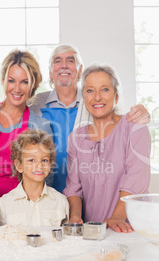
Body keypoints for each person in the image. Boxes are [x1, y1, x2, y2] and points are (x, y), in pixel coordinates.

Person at [30, 44, 150, 193]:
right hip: (48, 189)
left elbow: (117, 124)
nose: (64, 66)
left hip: (91, 191)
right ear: (50, 71)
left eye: (71, 60)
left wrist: (141, 113)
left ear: (80, 70)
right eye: (57, 61)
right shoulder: (35, 104)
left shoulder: (96, 101)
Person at [63, 64, 151, 233]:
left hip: (129, 227)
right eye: (90, 91)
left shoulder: (134, 127)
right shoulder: (76, 138)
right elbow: (73, 187)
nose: (97, 97)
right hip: (93, 230)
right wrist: (75, 216)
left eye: (104, 89)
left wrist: (117, 217)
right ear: (84, 98)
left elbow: (136, 178)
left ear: (116, 96)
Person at [0, 49, 52, 199]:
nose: (17, 88)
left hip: (18, 204)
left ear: (33, 85)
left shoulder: (39, 125)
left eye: (24, 82)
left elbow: (45, 176)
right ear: (3, 80)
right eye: (11, 80)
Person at [0, 129, 69, 226]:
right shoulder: (5, 203)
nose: (39, 165)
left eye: (44, 160)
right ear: (19, 166)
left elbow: (67, 239)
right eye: (31, 160)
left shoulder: (61, 201)